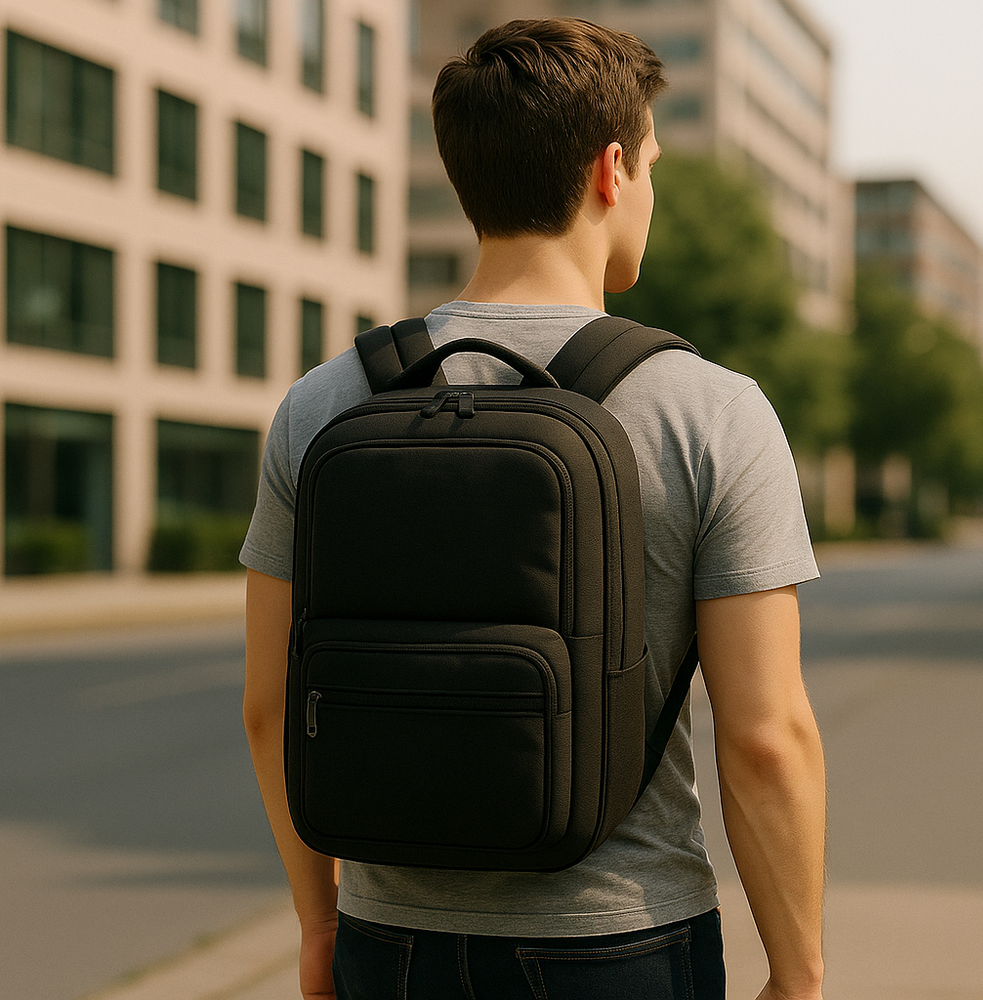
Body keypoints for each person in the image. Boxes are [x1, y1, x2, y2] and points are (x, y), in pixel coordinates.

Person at [240, 17, 826, 1000]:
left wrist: (319, 924)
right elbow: (766, 739)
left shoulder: (323, 401)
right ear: (609, 172)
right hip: (620, 944)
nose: (650, 190)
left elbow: (269, 709)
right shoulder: (710, 410)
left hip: (390, 943)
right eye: (650, 164)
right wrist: (798, 972)